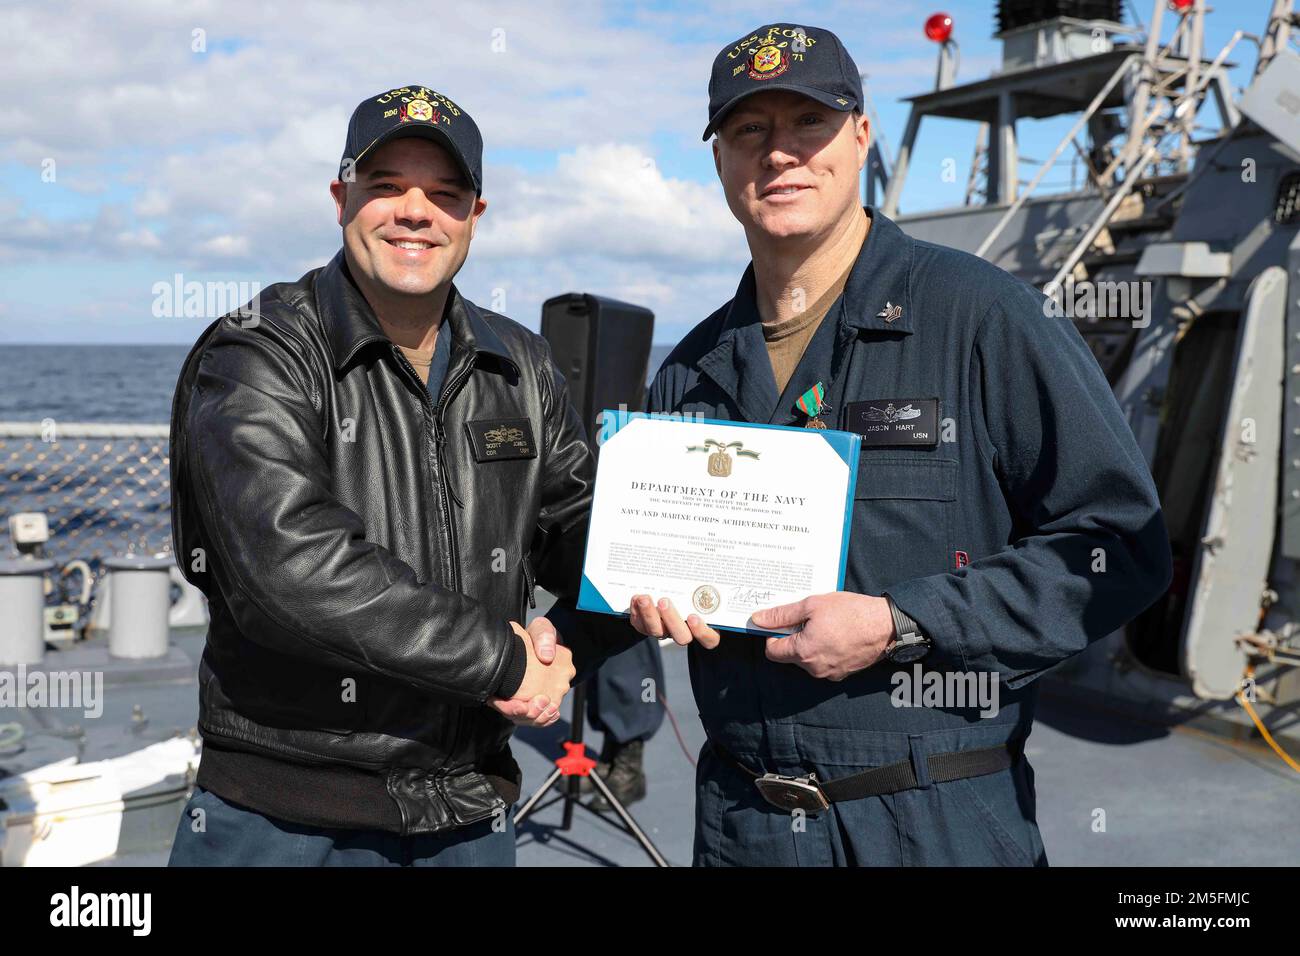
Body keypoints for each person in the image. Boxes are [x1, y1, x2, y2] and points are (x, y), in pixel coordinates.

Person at [564, 23, 1174, 866]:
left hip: (933, 818)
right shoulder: (695, 367)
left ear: (860, 135)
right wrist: (600, 623)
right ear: (719, 159)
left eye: (808, 123)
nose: (780, 153)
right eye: (749, 130)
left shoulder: (982, 317)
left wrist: (903, 623)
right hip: (743, 824)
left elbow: (1118, 548)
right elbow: (644, 565)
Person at [167, 84, 585, 866]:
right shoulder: (260, 351)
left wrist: (625, 601)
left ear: (474, 216)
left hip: (468, 807)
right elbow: (290, 569)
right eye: (386, 187)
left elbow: (579, 525)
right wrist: (503, 661)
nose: (415, 211)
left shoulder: (520, 363)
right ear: (340, 198)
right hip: (286, 816)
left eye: (445, 193)